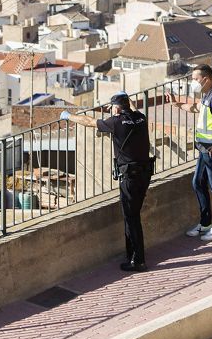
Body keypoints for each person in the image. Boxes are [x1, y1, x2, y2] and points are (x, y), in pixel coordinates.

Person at [61, 92, 154, 272]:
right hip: (144, 173)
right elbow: (134, 110)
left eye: (111, 107)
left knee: (131, 217)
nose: (110, 110)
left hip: (130, 176)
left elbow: (88, 121)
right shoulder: (140, 118)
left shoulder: (115, 122)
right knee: (133, 215)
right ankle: (132, 255)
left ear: (117, 108)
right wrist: (128, 103)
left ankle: (138, 259)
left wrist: (68, 116)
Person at [166, 64, 212, 242]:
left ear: (206, 78)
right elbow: (196, 108)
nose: (193, 82)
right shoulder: (207, 96)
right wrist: (177, 104)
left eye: (196, 79)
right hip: (205, 149)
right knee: (198, 182)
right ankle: (205, 223)